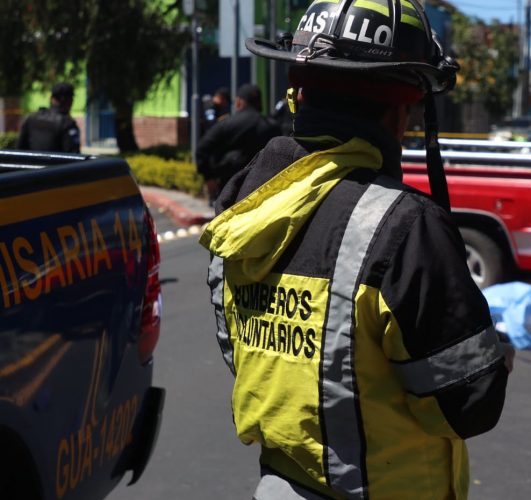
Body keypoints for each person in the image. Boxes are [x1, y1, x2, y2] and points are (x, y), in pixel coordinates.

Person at [198, 1, 514, 498]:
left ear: (299, 95)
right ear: (399, 112)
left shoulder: (240, 209)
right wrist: (498, 356)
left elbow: (248, 358)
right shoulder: (406, 227)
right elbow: (469, 405)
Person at [196, 83, 279, 203]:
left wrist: (208, 178)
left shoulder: (227, 124)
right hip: (263, 193)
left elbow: (202, 149)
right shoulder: (271, 127)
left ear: (239, 102)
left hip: (229, 191)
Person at [16, 83, 80, 153]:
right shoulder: (68, 124)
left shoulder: (31, 118)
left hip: (31, 163)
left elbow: (20, 148)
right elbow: (73, 154)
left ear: (51, 99)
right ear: (69, 101)